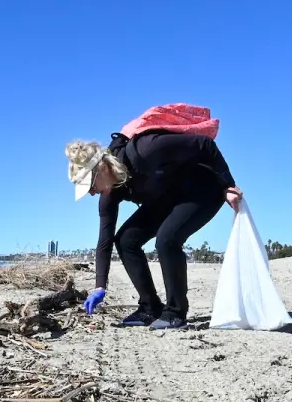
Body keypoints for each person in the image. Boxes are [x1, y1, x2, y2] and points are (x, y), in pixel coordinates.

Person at [68, 124, 242, 330]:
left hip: (204, 189)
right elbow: (105, 240)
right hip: (167, 198)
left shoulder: (145, 150)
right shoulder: (109, 195)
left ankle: (175, 314)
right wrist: (99, 286)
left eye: (90, 186)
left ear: (102, 169)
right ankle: (150, 307)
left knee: (167, 240)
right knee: (126, 240)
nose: (91, 193)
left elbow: (204, 144)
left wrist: (228, 185)